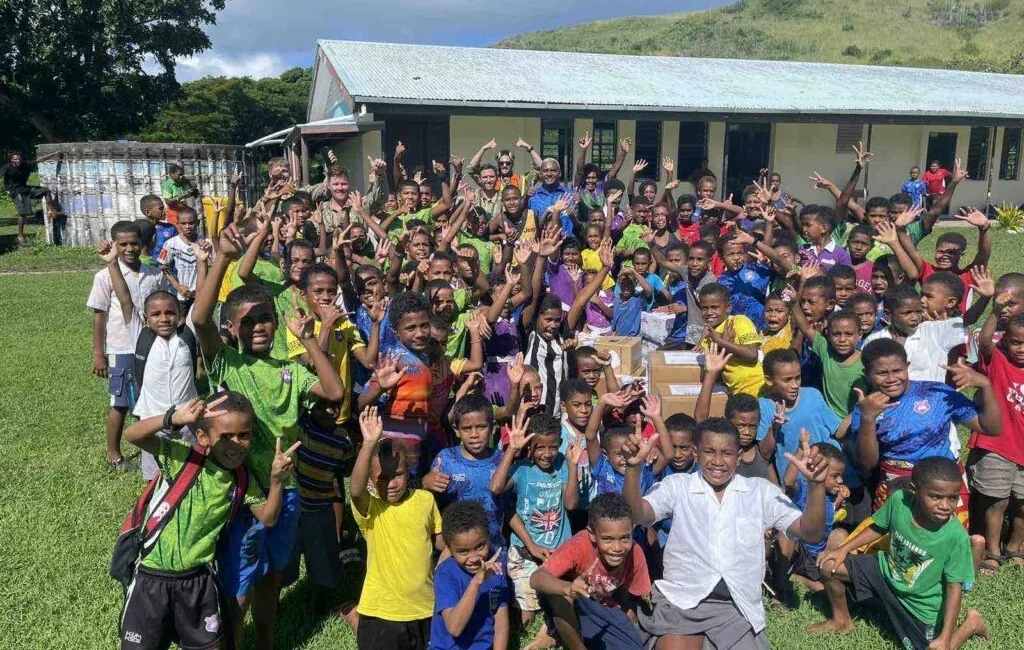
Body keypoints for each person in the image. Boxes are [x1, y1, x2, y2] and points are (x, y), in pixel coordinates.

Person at [191, 224, 345, 650]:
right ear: (232, 328)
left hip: (287, 488)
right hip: (240, 493)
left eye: (265, 319)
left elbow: (334, 392)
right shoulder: (225, 363)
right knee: (238, 585)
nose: (258, 327)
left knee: (272, 574)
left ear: (277, 324)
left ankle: (267, 641)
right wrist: (221, 257)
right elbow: (200, 318)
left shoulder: (289, 369)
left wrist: (310, 339)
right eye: (247, 321)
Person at [623, 418, 829, 650]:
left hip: (737, 606)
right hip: (683, 601)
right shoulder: (677, 486)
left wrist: (816, 487)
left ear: (739, 456)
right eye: (709, 452)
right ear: (696, 453)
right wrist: (633, 469)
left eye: (727, 453)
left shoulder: (759, 492)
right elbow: (638, 515)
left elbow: (810, 533)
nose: (718, 461)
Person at [118, 393, 297, 650]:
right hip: (151, 578)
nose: (236, 444)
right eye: (226, 436)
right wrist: (174, 418)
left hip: (198, 583)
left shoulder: (241, 481)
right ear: (204, 438)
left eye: (244, 435)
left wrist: (277, 481)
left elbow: (268, 518)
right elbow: (133, 435)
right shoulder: (182, 458)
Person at [809, 457, 988, 650]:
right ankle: (841, 621)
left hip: (919, 604)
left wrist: (945, 637)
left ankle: (971, 624)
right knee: (829, 566)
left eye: (953, 498)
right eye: (936, 497)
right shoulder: (899, 501)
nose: (945, 505)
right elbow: (879, 527)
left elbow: (955, 587)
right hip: (885, 572)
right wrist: (843, 549)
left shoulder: (956, 537)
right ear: (914, 490)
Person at [352, 406, 444, 650]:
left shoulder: (425, 500)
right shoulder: (372, 509)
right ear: (372, 480)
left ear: (409, 471)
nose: (391, 483)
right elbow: (355, 490)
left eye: (398, 474)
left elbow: (441, 543)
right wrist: (369, 443)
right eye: (382, 477)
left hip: (424, 608)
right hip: (381, 612)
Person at [489, 413, 583, 650]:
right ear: (530, 446)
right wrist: (512, 450)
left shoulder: (562, 465)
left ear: (560, 444)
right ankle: (541, 631)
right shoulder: (522, 469)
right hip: (526, 551)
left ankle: (551, 633)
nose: (547, 453)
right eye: (540, 447)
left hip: (558, 550)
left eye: (553, 447)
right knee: (526, 620)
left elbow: (571, 504)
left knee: (561, 601)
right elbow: (495, 487)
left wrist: (572, 466)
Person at [87, 220, 169, 471]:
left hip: (150, 345)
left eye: (134, 243)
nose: (129, 248)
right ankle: (114, 454)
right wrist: (99, 353)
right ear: (114, 245)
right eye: (123, 244)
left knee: (147, 398)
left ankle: (152, 448)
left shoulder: (154, 274)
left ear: (142, 244)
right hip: (121, 347)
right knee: (120, 402)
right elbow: (99, 315)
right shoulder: (105, 276)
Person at [530, 493, 652, 650]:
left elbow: (633, 600)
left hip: (601, 607)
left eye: (625, 538)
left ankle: (562, 634)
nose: (617, 548)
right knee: (560, 597)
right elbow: (536, 578)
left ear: (632, 530)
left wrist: (620, 625)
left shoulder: (635, 553)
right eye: (607, 539)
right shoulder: (578, 546)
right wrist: (568, 588)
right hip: (572, 598)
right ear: (592, 535)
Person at [967, 311, 1024, 574]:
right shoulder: (999, 361)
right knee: (996, 500)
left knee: (1021, 502)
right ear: (1005, 340)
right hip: (998, 445)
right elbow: (985, 340)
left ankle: (1015, 546)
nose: (1021, 349)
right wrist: (994, 310)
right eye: (1015, 342)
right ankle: (992, 551)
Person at [431, 501, 510, 650]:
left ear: (488, 537)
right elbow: (454, 628)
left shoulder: (495, 566)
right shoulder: (445, 574)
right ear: (450, 549)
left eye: (480, 546)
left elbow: (500, 622)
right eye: (463, 551)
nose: (473, 558)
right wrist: (476, 582)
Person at [1, 150, 59, 246]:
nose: (18, 160)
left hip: (25, 189)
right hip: (15, 192)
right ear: (12, 160)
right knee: (23, 213)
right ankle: (20, 236)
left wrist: (53, 154)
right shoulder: (7, 168)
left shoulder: (25, 165)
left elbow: (40, 160)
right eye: (15, 159)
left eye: (19, 158)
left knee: (45, 191)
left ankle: (51, 211)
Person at [157, 206, 207, 312]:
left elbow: (213, 268)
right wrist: (178, 286)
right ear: (177, 224)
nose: (187, 226)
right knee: (181, 325)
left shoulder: (205, 243)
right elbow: (163, 266)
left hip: (201, 295)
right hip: (180, 296)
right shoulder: (171, 244)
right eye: (183, 224)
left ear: (197, 223)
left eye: (191, 223)